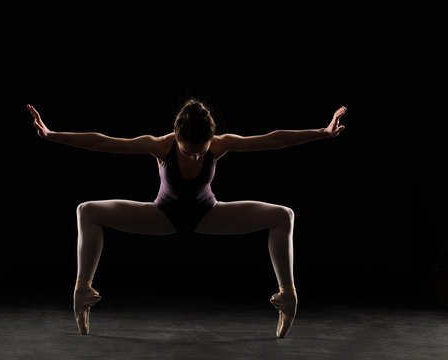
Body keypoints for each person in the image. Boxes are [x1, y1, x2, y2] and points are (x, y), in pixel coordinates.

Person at [27, 99, 347, 338]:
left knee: (283, 215)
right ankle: (82, 290)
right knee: (87, 210)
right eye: (187, 151)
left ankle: (288, 295)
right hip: (162, 215)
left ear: (211, 140)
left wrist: (323, 132)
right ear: (176, 137)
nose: (195, 157)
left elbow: (273, 139)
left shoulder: (220, 145)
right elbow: (101, 141)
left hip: (209, 214)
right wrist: (52, 134)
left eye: (200, 152)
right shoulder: (159, 145)